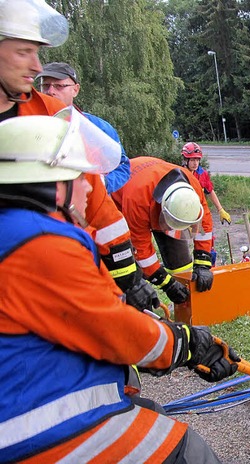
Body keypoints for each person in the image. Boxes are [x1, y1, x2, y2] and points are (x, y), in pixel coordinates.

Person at [0, 113, 239, 462]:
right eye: (81, 176)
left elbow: (89, 316)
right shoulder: (41, 242)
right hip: (34, 423)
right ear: (46, 183)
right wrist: (186, 344)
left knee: (145, 404)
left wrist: (202, 266)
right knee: (187, 451)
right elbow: (112, 328)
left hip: (26, 392)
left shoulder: (21, 230)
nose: (91, 190)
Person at [0, 0, 158, 313]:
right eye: (23, 52)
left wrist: (129, 277)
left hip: (56, 267)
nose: (36, 66)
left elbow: (95, 200)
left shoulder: (47, 112)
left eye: (37, 52)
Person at [111, 156, 215, 305]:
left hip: (158, 200)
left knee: (181, 261)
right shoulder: (136, 200)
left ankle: (187, 303)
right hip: (124, 204)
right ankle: (136, 299)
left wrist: (203, 263)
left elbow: (204, 225)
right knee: (129, 263)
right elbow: (141, 250)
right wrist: (166, 284)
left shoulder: (192, 186)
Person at [36, 61, 131, 194]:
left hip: (88, 206)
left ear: (75, 90)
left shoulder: (98, 127)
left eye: (59, 86)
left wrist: (102, 183)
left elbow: (121, 166)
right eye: (45, 86)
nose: (50, 91)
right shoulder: (29, 124)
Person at [182, 141, 231, 225]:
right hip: (183, 213)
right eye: (193, 160)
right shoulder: (179, 174)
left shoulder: (202, 174)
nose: (195, 163)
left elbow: (210, 191)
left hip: (199, 211)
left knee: (206, 234)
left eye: (197, 160)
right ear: (186, 160)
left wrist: (220, 209)